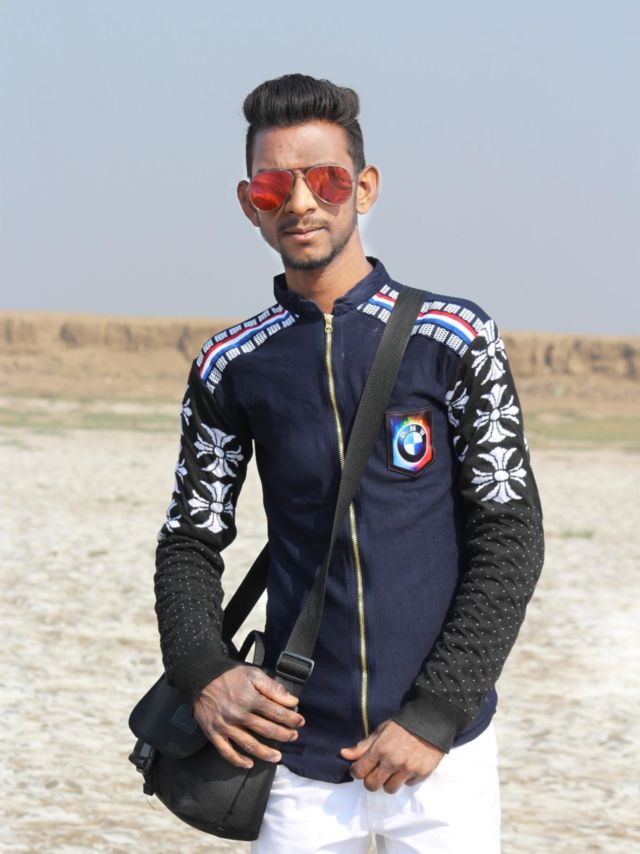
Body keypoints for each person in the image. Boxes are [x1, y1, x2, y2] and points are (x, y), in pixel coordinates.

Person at [154, 73, 544, 853]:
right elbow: (189, 540)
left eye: (326, 179)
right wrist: (205, 670)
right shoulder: (232, 364)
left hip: (442, 760)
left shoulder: (456, 338)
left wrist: (436, 712)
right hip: (295, 758)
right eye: (275, 186)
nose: (301, 203)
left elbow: (510, 536)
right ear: (250, 203)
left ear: (363, 187)